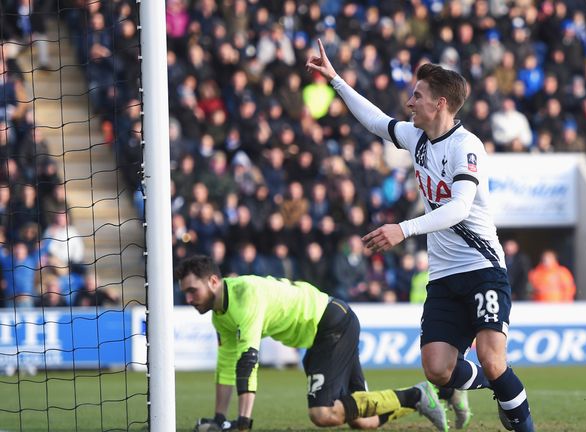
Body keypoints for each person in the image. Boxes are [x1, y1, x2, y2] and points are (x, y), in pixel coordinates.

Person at [307, 40, 534, 431]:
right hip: (443, 276)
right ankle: (497, 387)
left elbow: (460, 208)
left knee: (493, 360)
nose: (410, 102)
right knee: (437, 369)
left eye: (418, 95)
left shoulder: (467, 146)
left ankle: (515, 410)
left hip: (482, 267)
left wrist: (403, 229)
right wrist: (337, 81)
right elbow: (376, 121)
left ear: (441, 103)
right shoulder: (418, 139)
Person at [175, 255, 449, 432]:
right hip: (325, 330)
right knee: (363, 421)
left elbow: (248, 362)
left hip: (330, 324)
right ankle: (416, 396)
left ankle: (418, 395)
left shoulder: (245, 295)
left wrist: (243, 424)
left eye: (192, 290)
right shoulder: (220, 317)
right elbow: (225, 367)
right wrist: (220, 418)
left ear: (213, 281)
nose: (188, 298)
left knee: (321, 413)